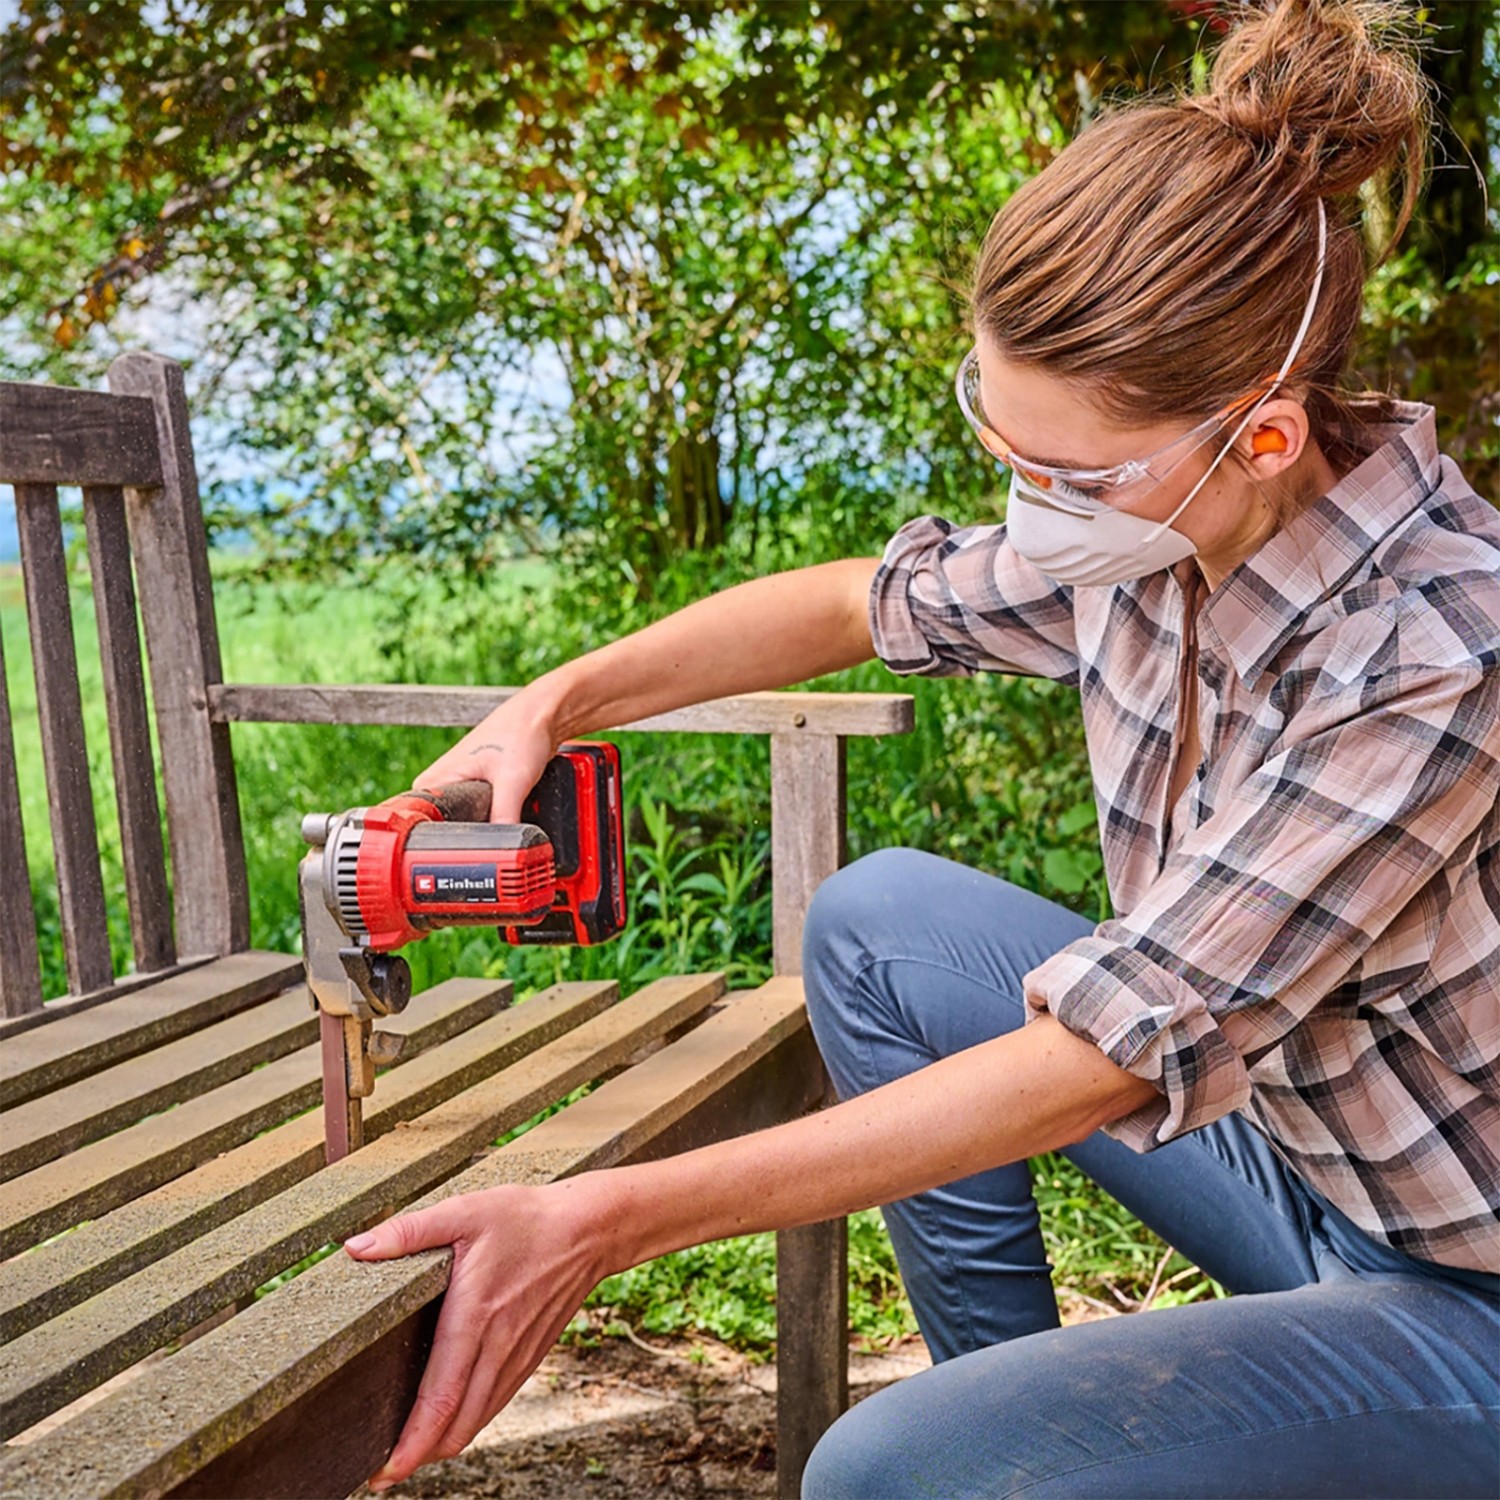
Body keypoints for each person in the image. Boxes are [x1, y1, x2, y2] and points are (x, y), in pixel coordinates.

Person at [344, 1, 1499, 1494]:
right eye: (1002, 450)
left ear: (1263, 437)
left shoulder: (1435, 653)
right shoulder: (1155, 529)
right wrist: (554, 700)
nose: (1029, 509)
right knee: (883, 923)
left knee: (879, 1472)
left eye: (1063, 472)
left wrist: (602, 1213)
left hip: (1468, 1286)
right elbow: (850, 602)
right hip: (1310, 1169)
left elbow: (1100, 1059)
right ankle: (1021, 1427)